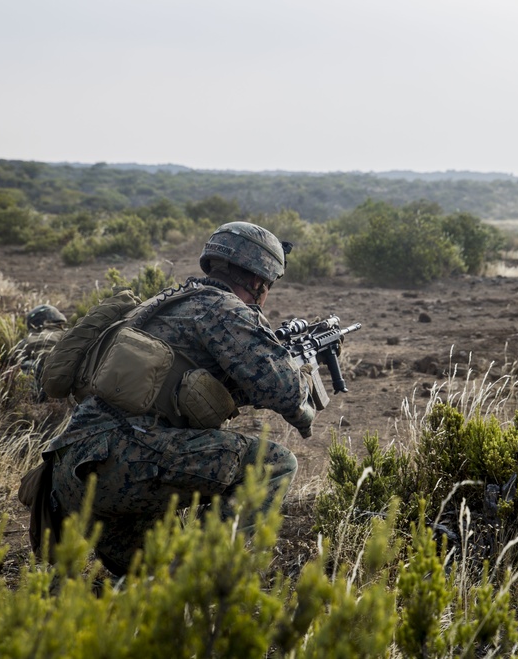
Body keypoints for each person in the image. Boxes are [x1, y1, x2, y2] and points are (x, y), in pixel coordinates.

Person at [43, 222, 316, 575]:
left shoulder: (167, 302)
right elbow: (286, 392)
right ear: (258, 281)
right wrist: (304, 371)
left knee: (150, 575)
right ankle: (196, 573)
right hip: (123, 462)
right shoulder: (223, 308)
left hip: (71, 472)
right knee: (273, 464)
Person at [13, 304, 67, 399]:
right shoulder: (68, 334)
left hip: (39, 374)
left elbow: (12, 361)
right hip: (69, 374)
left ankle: (29, 401)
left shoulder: (28, 340)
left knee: (26, 368)